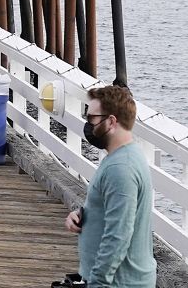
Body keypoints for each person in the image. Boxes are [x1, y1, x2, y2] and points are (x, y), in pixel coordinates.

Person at [64, 85, 155, 288]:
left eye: (91, 119)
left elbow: (119, 234)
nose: (88, 125)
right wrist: (82, 215)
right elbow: (113, 209)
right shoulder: (121, 156)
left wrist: (97, 283)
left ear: (111, 121)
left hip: (117, 283)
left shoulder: (122, 168)